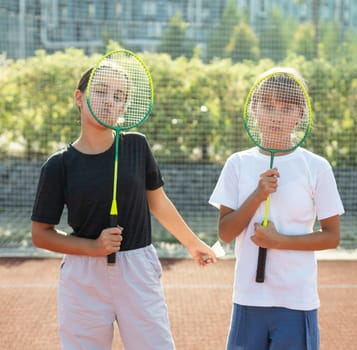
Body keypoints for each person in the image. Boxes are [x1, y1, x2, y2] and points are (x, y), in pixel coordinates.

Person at [31, 65, 217, 350]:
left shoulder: (136, 146)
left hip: (137, 267)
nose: (110, 101)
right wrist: (93, 247)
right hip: (83, 276)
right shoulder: (59, 165)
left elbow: (158, 201)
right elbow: (41, 234)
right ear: (78, 97)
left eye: (119, 96)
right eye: (101, 91)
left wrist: (192, 243)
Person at [209, 67, 344, 350]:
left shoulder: (317, 167)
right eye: (268, 106)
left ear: (300, 115)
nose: (276, 116)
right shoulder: (237, 163)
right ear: (254, 109)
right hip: (248, 299)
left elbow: (332, 236)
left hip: (296, 301)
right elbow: (225, 232)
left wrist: (279, 241)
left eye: (286, 108)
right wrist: (258, 195)